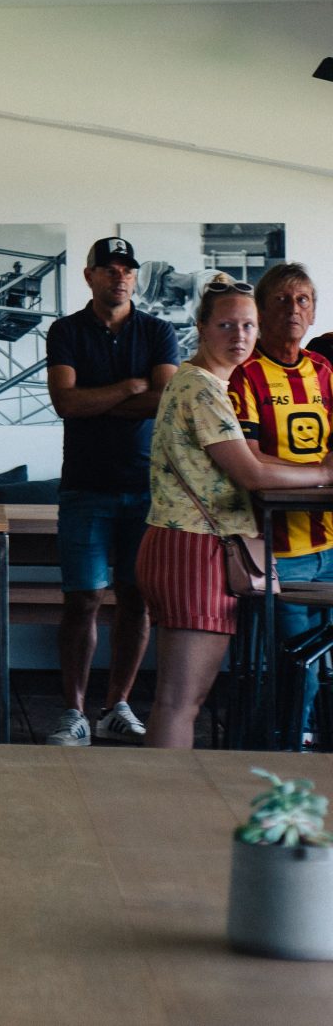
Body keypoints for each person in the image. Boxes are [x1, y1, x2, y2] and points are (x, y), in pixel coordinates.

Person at [139, 277, 333, 749]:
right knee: (180, 701)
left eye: (247, 325)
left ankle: (165, 791)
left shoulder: (205, 383)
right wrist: (325, 473)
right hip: (194, 547)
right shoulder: (202, 389)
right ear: (201, 327)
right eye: (226, 325)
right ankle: (163, 794)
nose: (240, 336)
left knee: (179, 699)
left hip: (190, 543)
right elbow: (252, 472)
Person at [43, 236, 177, 746]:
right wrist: (128, 387)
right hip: (85, 486)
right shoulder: (66, 330)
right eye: (109, 268)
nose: (119, 276)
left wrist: (96, 400)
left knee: (136, 600)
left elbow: (164, 401)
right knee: (82, 600)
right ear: (90, 276)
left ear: (135, 277)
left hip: (147, 488)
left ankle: (116, 706)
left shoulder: (158, 331)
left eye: (127, 269)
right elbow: (66, 403)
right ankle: (73, 712)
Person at [228, 262, 333, 739]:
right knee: (296, 667)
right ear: (262, 311)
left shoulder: (324, 370)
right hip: (278, 550)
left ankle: (297, 741)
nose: (293, 309)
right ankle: (284, 752)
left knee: (319, 663)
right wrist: (319, 476)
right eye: (282, 300)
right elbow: (251, 460)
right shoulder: (245, 375)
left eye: (302, 300)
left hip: (329, 544)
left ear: (313, 313)